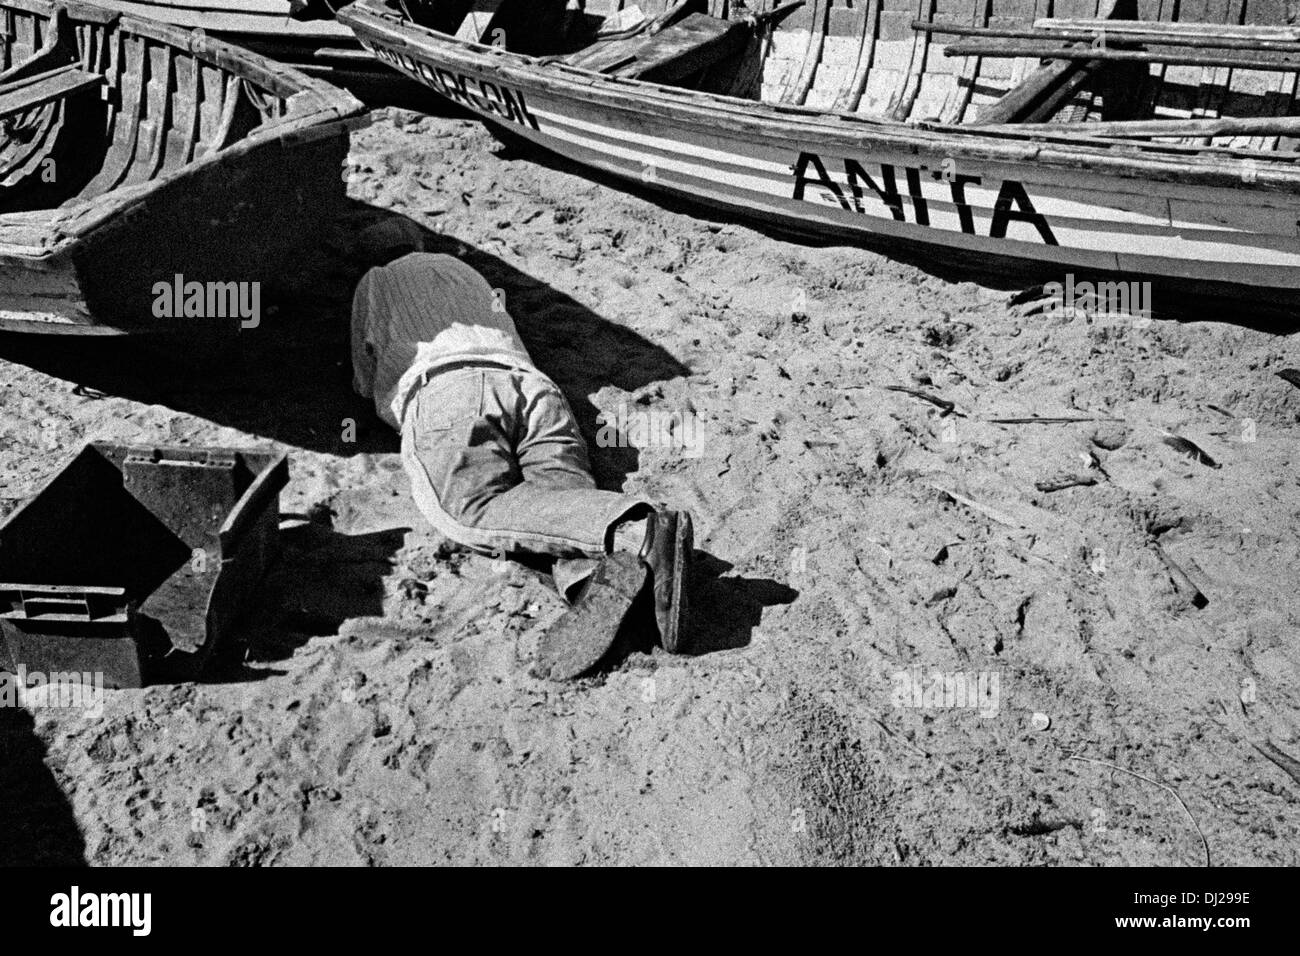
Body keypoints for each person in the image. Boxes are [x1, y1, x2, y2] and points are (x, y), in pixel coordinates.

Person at [351, 251, 693, 679]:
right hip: (533, 388)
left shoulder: (377, 277)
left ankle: (633, 530)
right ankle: (614, 587)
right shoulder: (467, 272)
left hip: (449, 389)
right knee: (560, 507)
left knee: (469, 509)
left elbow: (366, 380)